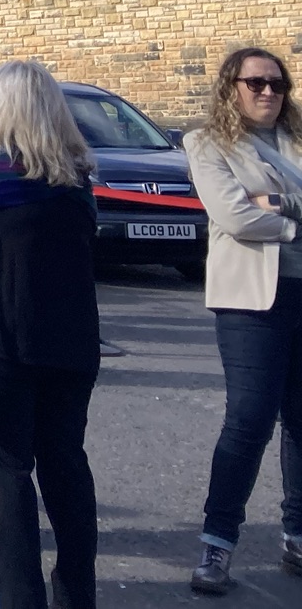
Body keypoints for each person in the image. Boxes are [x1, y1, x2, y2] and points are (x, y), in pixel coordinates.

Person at [0, 61, 100, 609]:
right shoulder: (78, 176)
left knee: (8, 475)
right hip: (73, 335)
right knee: (67, 465)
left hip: (6, 336)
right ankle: (77, 594)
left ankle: (20, 598)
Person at [184, 46, 302, 595]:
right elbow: (234, 215)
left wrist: (275, 203)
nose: (268, 92)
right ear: (231, 88)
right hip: (252, 301)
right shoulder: (207, 143)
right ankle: (218, 542)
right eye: (256, 83)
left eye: (278, 84)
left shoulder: (296, 140)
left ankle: (296, 535)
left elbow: (258, 209)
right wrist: (291, 222)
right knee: (249, 420)